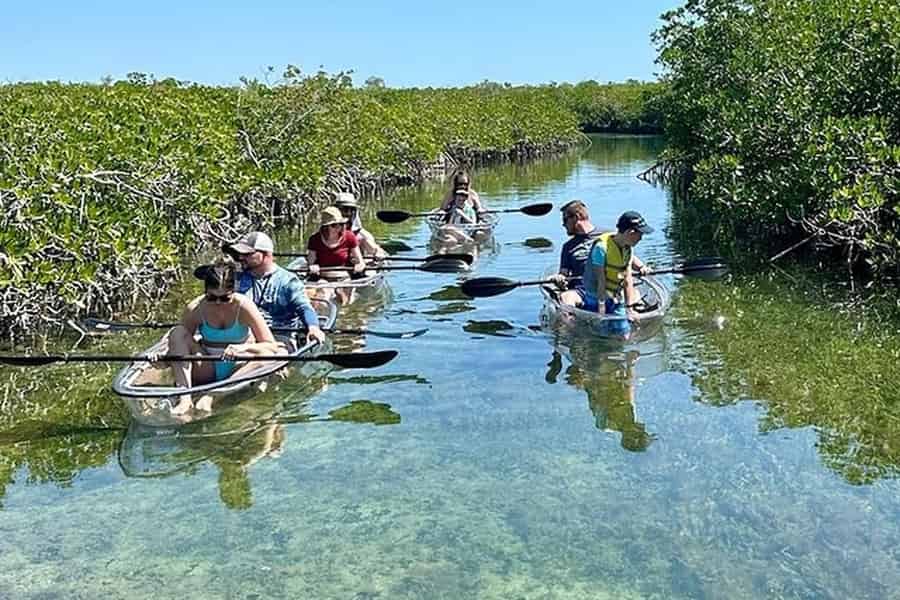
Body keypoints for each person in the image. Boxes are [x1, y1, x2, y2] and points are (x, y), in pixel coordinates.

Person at [155, 258, 280, 415]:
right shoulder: (195, 308)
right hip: (207, 366)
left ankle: (213, 394)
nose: (218, 303)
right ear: (205, 291)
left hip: (238, 367)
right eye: (212, 298)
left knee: (266, 356)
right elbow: (179, 343)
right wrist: (164, 359)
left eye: (225, 298)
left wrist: (243, 348)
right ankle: (185, 398)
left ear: (234, 291)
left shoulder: (245, 306)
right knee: (177, 331)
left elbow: (271, 345)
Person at [224, 231, 326, 345]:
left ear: (266, 254)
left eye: (248, 254)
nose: (241, 257)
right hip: (244, 336)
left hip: (280, 337)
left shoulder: (288, 281)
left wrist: (313, 327)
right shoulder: (238, 276)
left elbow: (304, 307)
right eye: (240, 254)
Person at [582, 211, 654, 337]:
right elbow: (601, 281)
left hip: (615, 296)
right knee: (601, 333)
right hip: (595, 296)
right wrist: (602, 309)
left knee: (624, 334)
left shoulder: (628, 249)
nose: (641, 238)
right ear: (630, 233)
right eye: (640, 234)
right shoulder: (601, 248)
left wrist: (629, 308)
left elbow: (627, 280)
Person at [306, 206, 367, 304]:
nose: (338, 227)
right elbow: (310, 262)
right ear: (325, 227)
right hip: (324, 278)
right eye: (334, 225)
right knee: (323, 295)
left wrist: (359, 266)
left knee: (344, 300)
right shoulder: (314, 239)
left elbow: (360, 262)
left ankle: (344, 307)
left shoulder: (349, 237)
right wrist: (312, 267)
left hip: (344, 277)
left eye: (341, 224)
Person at [334, 192, 387, 259]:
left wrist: (378, 254)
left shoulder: (362, 235)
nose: (349, 213)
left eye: (352, 210)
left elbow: (378, 252)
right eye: (345, 209)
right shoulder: (327, 232)